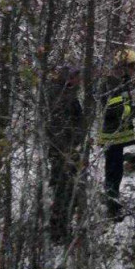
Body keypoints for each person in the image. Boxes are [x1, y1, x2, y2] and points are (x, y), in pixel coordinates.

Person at [98, 48, 135, 221]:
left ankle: (113, 200)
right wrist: (133, 110)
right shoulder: (112, 83)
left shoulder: (120, 81)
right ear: (123, 66)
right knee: (113, 171)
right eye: (132, 66)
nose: (134, 70)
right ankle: (112, 207)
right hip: (112, 135)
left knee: (115, 170)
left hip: (117, 135)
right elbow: (114, 109)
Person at [45, 65, 84, 243]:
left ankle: (64, 230)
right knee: (63, 192)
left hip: (69, 151)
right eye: (76, 77)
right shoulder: (59, 96)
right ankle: (59, 233)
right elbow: (56, 127)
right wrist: (66, 150)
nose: (79, 81)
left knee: (69, 192)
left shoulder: (67, 94)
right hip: (62, 153)